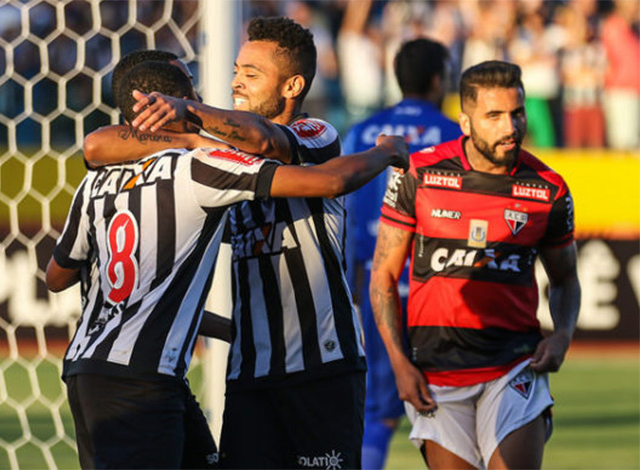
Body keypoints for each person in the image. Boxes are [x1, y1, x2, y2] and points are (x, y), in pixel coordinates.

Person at [47, 59, 409, 469]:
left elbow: (57, 275)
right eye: (193, 95)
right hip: (143, 382)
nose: (203, 101)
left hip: (88, 368)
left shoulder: (95, 180)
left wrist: (221, 326)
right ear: (173, 103)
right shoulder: (202, 165)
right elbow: (328, 182)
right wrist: (385, 152)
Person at [369, 60, 581, 469]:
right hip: (436, 372)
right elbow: (383, 275)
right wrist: (399, 363)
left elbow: (566, 280)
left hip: (514, 364)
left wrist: (563, 335)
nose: (510, 127)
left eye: (517, 113)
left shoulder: (549, 188)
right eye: (494, 116)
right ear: (465, 121)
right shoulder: (419, 174)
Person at [343, 38, 463, 470]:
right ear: (438, 79)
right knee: (455, 408)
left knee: (378, 410)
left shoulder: (362, 133)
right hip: (439, 293)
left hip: (379, 287)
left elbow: (348, 217)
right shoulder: (455, 134)